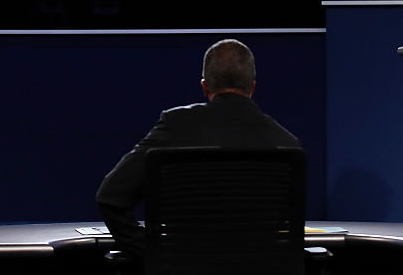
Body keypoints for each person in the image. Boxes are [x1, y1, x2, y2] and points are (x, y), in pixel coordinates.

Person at [95, 39, 301, 259]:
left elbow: (110, 197)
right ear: (252, 87)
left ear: (204, 87)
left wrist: (156, 252)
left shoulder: (175, 125)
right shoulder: (286, 143)